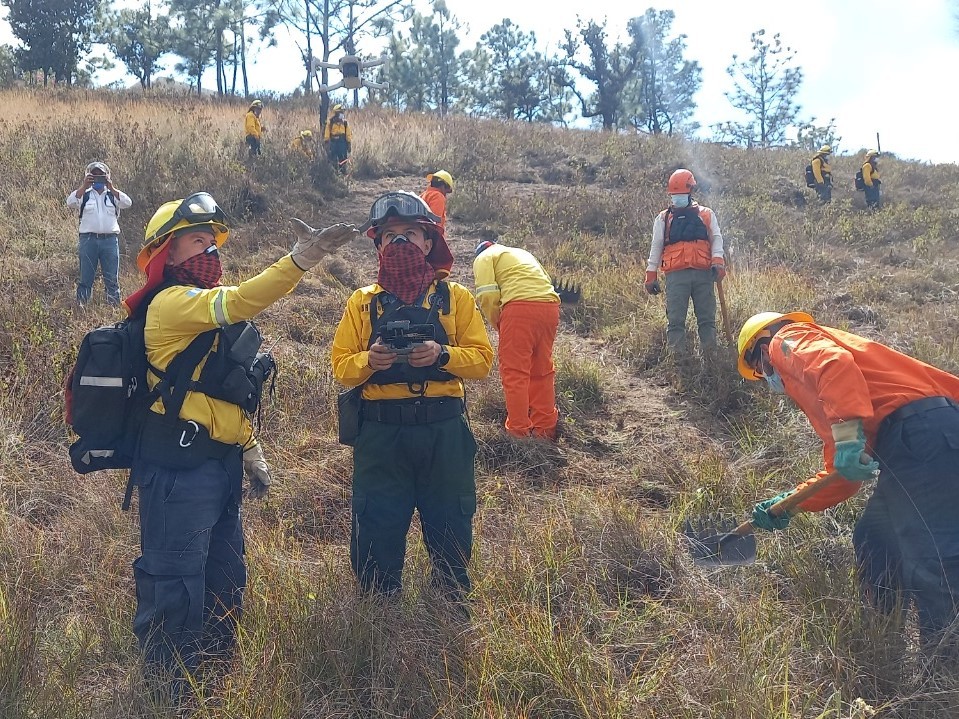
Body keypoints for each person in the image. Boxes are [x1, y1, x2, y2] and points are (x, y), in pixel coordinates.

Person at [124, 192, 357, 701]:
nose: (209, 251)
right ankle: (167, 696)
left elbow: (220, 392)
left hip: (220, 469)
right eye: (196, 241)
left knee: (226, 582)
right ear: (167, 253)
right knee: (175, 584)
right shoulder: (172, 305)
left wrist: (250, 449)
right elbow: (241, 299)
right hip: (178, 473)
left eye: (212, 241)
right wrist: (303, 259)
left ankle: (212, 682)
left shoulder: (205, 317)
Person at [738, 310, 959, 662]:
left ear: (762, 347)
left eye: (761, 371)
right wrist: (791, 503)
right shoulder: (841, 400)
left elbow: (833, 364)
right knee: (875, 538)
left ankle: (943, 676)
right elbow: (841, 474)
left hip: (925, 434)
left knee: (932, 560)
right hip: (913, 442)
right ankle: (884, 643)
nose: (768, 379)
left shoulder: (788, 340)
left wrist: (846, 438)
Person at [331, 191, 493, 601]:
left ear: (428, 242)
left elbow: (482, 361)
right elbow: (340, 366)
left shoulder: (454, 298)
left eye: (409, 234)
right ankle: (379, 611)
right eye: (389, 236)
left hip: (444, 432)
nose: (399, 243)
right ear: (378, 245)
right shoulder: (362, 302)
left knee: (451, 520)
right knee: (377, 523)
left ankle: (449, 602)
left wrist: (443, 355)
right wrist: (370, 361)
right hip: (381, 436)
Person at [473, 238, 560, 440]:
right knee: (542, 370)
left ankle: (518, 433)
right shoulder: (522, 254)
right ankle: (545, 430)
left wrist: (499, 325)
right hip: (550, 307)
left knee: (515, 373)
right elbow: (545, 281)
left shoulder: (484, 257)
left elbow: (487, 295)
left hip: (519, 309)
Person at [644, 169, 726, 353]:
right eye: (674, 195)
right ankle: (678, 363)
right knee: (675, 321)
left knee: (707, 320)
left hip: (704, 274)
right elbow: (656, 246)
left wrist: (718, 262)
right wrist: (651, 275)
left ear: (691, 192)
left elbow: (716, 239)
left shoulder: (706, 214)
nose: (677, 198)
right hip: (675, 276)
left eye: (681, 194)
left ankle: (711, 359)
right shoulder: (663, 218)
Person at [66, 161, 132, 306]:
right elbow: (70, 202)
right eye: (94, 176)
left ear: (106, 176)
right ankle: (82, 307)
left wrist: (112, 187)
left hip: (109, 241)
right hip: (88, 240)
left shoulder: (112, 196)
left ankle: (113, 308)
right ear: (88, 176)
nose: (97, 179)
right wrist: (84, 186)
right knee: (86, 278)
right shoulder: (85, 195)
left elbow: (128, 203)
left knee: (111, 278)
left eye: (100, 176)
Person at [324, 103, 352, 173]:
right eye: (341, 112)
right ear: (336, 113)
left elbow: (348, 134)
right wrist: (326, 142)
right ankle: (334, 174)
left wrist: (349, 143)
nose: (342, 113)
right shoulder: (330, 122)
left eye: (342, 112)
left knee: (343, 158)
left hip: (342, 142)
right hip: (333, 142)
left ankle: (343, 173)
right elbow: (327, 133)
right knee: (332, 158)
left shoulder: (345, 123)